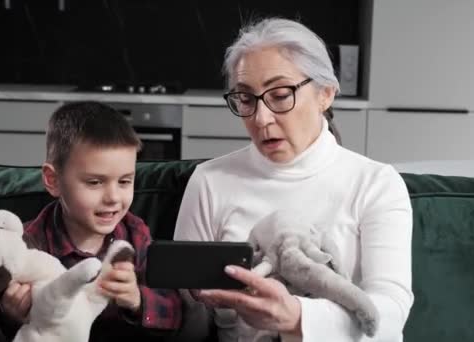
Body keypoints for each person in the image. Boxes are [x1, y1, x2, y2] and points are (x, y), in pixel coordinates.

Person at [173, 17, 414, 342]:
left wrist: (298, 318)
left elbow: (390, 314)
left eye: (281, 94)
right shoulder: (209, 181)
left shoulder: (377, 184)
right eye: (246, 99)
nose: (261, 118)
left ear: (325, 94)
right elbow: (185, 306)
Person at [0, 101, 183, 341]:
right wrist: (9, 317)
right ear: (53, 180)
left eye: (124, 181)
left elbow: (177, 311)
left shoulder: (135, 235)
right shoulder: (26, 245)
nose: (113, 197)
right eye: (95, 182)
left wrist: (138, 301)